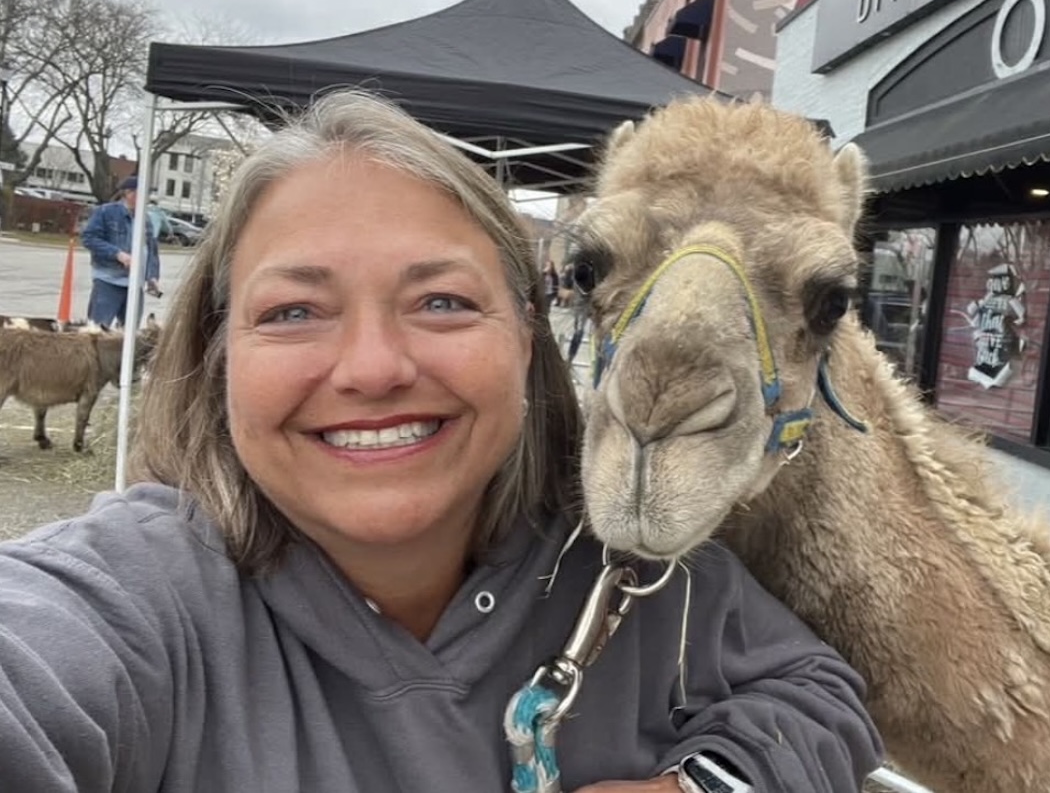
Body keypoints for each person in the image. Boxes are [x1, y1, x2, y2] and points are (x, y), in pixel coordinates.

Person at [0, 90, 882, 792]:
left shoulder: (643, 587)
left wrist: (708, 782)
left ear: (528, 336)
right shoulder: (141, 605)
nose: (374, 366)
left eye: (443, 301)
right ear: (217, 346)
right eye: (294, 310)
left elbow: (820, 694)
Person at [80, 174, 162, 328]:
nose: (147, 198)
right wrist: (117, 254)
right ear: (129, 193)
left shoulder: (146, 219)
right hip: (108, 280)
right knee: (97, 329)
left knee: (129, 333)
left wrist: (152, 276)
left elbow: (151, 249)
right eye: (143, 193)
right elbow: (89, 238)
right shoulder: (106, 212)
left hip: (135, 284)